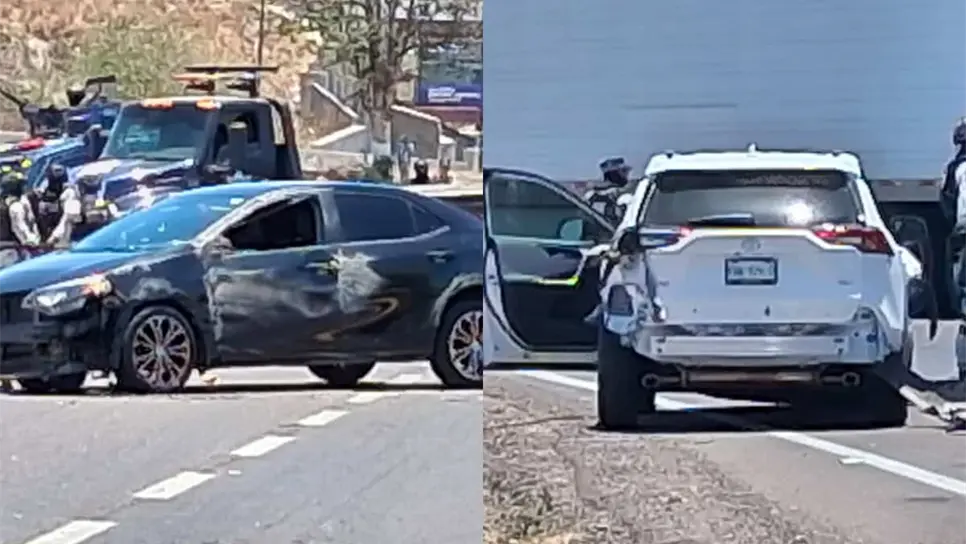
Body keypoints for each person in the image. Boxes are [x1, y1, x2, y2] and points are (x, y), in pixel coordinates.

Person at [28, 163, 81, 248]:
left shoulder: (69, 192)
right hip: (43, 238)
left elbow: (68, 218)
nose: (58, 173)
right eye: (56, 171)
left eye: (60, 171)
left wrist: (55, 236)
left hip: (63, 239)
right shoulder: (42, 191)